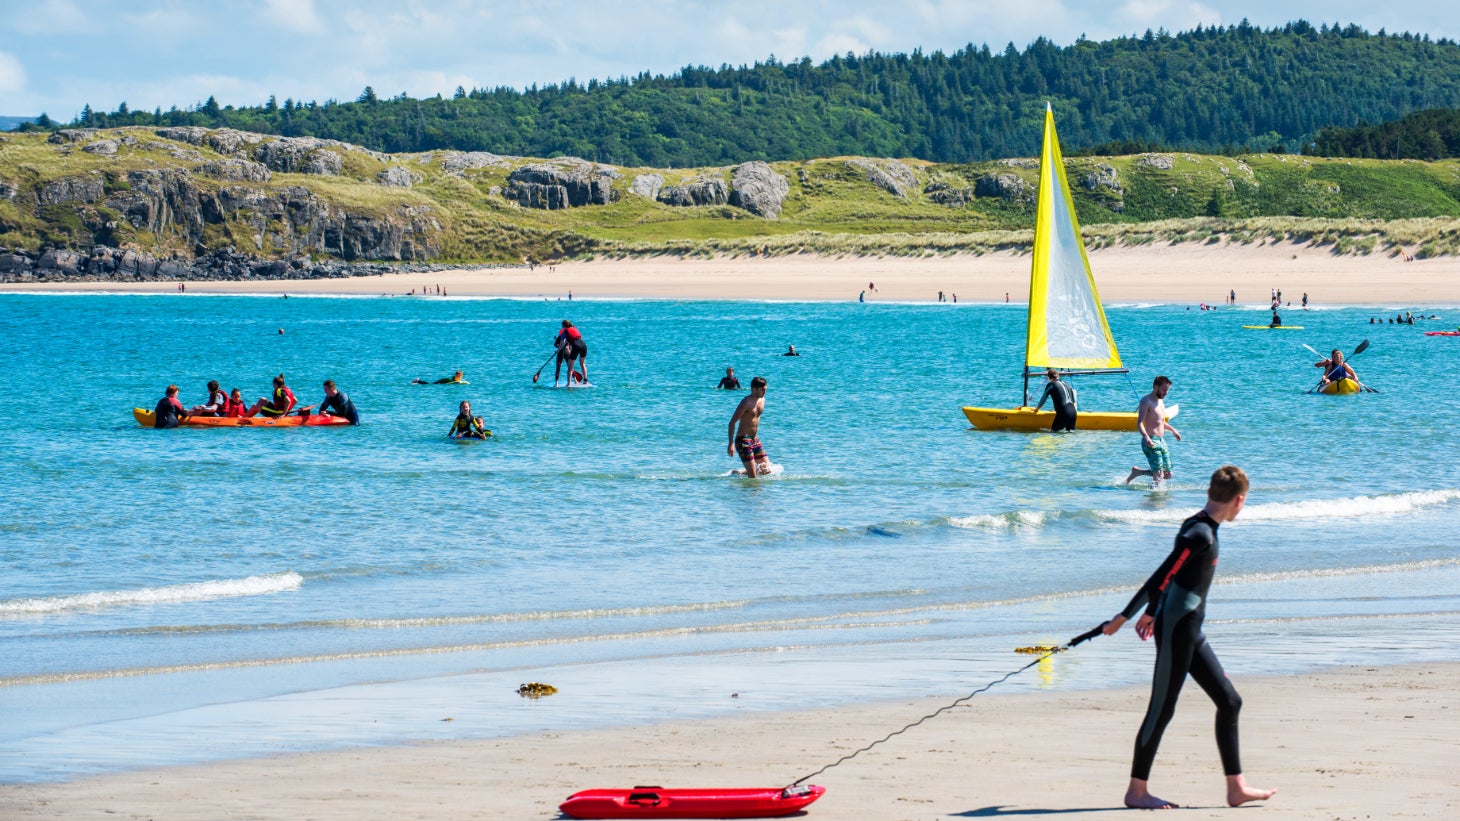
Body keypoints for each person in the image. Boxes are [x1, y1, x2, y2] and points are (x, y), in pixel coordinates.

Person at [1101, 465, 1276, 810]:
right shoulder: (1199, 534)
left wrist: (1149, 610)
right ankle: (1136, 792)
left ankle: (1236, 787)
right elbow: (1162, 576)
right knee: (1161, 709)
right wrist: (1129, 615)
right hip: (1177, 632)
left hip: (1190, 631)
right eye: (1245, 502)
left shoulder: (1201, 527)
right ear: (1238, 500)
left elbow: (1169, 577)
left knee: (1230, 702)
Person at [1126, 376, 1182, 486]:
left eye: (1167, 390)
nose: (1166, 393)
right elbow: (1139, 423)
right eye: (1164, 389)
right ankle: (1155, 500)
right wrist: (1146, 437)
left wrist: (1173, 430)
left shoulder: (1160, 401)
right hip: (1150, 441)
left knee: (1168, 474)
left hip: (1161, 441)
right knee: (1159, 475)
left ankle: (1138, 472)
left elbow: (1160, 421)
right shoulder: (1146, 401)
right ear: (1156, 387)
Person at [728, 376, 772, 477]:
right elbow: (732, 422)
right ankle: (751, 490)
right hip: (743, 440)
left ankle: (739, 472)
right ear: (754, 389)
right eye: (762, 390)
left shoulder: (762, 400)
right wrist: (731, 443)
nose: (764, 392)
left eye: (765, 389)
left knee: (766, 469)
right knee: (753, 477)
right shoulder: (746, 402)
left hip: (755, 439)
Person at [1033, 368, 1078, 432]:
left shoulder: (1051, 384)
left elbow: (1043, 398)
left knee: (1053, 433)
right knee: (1070, 434)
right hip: (1073, 413)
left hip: (1064, 412)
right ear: (1058, 375)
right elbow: (1074, 400)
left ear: (1048, 377)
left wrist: (1036, 409)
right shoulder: (1067, 384)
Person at [554, 320, 588, 385]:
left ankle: (569, 384)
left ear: (563, 326)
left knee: (570, 367)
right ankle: (585, 381)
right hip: (584, 346)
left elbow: (561, 344)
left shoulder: (565, 332)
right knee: (582, 364)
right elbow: (578, 337)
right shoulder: (575, 328)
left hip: (576, 347)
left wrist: (558, 350)